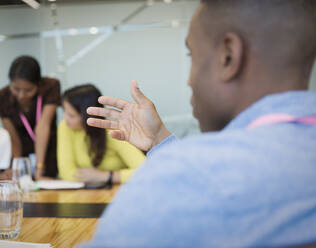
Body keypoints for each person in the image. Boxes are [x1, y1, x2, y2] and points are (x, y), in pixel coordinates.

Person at [82, 0, 316, 247]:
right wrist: (159, 139)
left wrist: (175, 162)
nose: (189, 81)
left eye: (191, 55)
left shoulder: (189, 175)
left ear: (228, 56)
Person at [58, 84, 145, 185]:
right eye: (64, 112)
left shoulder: (113, 132)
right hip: (85, 193)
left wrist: (105, 176)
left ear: (87, 115)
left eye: (71, 115)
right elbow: (66, 173)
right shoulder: (65, 127)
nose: (65, 118)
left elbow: (146, 170)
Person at [0, 56, 60, 179]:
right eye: (16, 89)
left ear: (38, 84)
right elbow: (12, 136)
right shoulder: (2, 97)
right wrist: (18, 167)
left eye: (28, 90)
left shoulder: (51, 86)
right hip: (22, 151)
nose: (21, 95)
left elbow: (43, 126)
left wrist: (39, 167)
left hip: (47, 149)